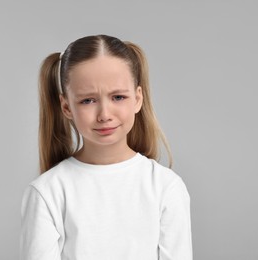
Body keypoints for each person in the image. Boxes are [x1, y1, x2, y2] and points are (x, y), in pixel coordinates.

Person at [20, 34, 192, 260]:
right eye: (88, 100)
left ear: (138, 99)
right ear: (66, 106)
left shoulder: (166, 188)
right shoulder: (47, 193)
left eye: (118, 97)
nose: (104, 115)